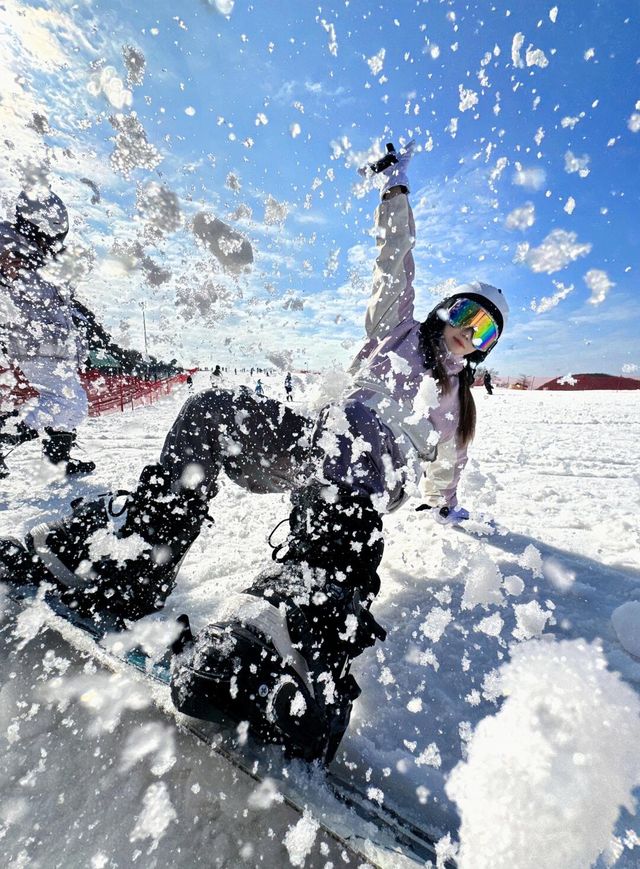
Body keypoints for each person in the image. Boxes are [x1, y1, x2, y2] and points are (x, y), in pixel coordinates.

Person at [0, 142, 508, 762]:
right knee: (213, 411)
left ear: (483, 350)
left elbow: (444, 476)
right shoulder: (395, 329)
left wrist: (443, 509)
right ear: (440, 310)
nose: (465, 330)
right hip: (315, 445)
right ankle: (134, 559)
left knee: (359, 429)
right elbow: (394, 260)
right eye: (462, 312)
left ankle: (300, 632)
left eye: (482, 330)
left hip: (367, 479)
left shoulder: (455, 405)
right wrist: (395, 189)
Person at [0, 190, 95, 478]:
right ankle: (5, 433)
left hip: (51, 343)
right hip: (33, 342)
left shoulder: (39, 256)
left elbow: (61, 304)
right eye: (51, 234)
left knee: (69, 402)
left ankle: (58, 461)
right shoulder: (10, 250)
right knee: (71, 403)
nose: (53, 241)